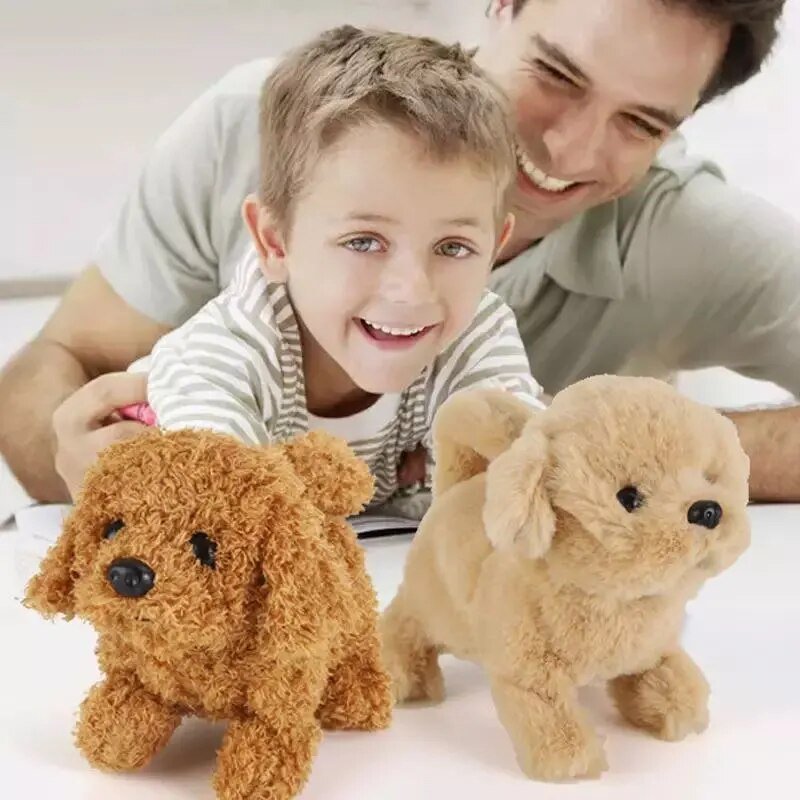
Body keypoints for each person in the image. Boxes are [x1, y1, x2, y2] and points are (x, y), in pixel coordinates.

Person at [1, 0, 798, 505]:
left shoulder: (690, 238)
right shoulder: (255, 128)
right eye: (557, 73)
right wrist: (68, 453)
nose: (570, 146)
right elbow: (56, 362)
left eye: (642, 123)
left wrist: (628, 446)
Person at [118, 26, 542, 509]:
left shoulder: (477, 332)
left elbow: (518, 477)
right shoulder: (225, 353)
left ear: (494, 248)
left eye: (453, 247)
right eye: (364, 241)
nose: (411, 290)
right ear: (274, 241)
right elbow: (225, 518)